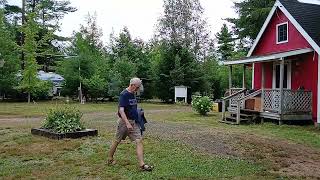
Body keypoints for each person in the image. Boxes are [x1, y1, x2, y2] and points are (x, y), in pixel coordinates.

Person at [107, 77, 153, 171]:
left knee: (139, 140)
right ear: (132, 85)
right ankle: (110, 159)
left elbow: (132, 107)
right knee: (117, 140)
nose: (138, 89)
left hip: (133, 122)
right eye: (137, 87)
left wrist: (138, 113)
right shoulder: (124, 95)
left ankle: (142, 165)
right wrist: (127, 123)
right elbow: (121, 110)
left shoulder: (133, 94)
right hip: (124, 123)